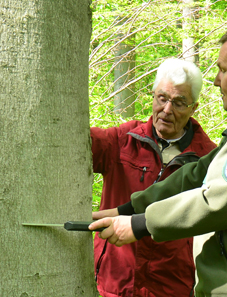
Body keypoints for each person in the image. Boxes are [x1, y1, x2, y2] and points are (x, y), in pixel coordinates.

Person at [90, 23, 227, 296]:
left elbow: (218, 202)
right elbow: (198, 174)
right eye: (161, 98)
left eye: (223, 69)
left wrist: (139, 224)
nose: (216, 81)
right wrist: (127, 210)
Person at [90, 58, 217, 296]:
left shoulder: (207, 158)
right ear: (153, 96)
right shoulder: (122, 140)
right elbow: (76, 141)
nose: (167, 110)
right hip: (114, 285)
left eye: (179, 102)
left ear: (193, 108)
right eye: (162, 98)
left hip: (171, 286)